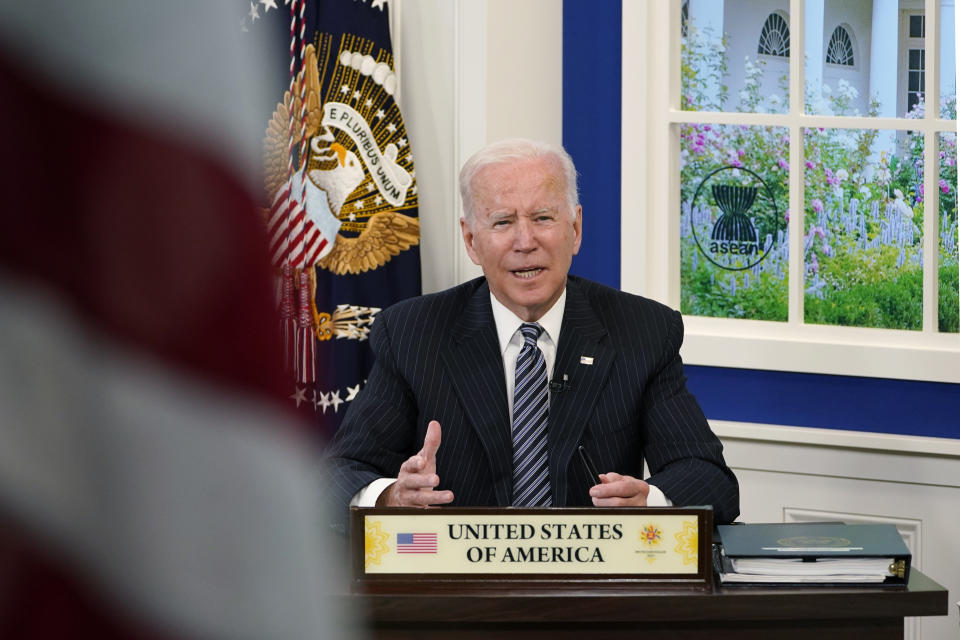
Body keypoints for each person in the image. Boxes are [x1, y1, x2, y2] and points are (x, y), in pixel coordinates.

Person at [323, 138, 738, 531]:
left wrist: (649, 502)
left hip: (592, 586)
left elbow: (710, 481)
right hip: (459, 589)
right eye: (503, 222)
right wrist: (390, 498)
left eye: (543, 218)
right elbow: (338, 476)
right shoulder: (413, 333)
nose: (526, 242)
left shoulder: (642, 331)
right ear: (471, 240)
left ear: (574, 229)